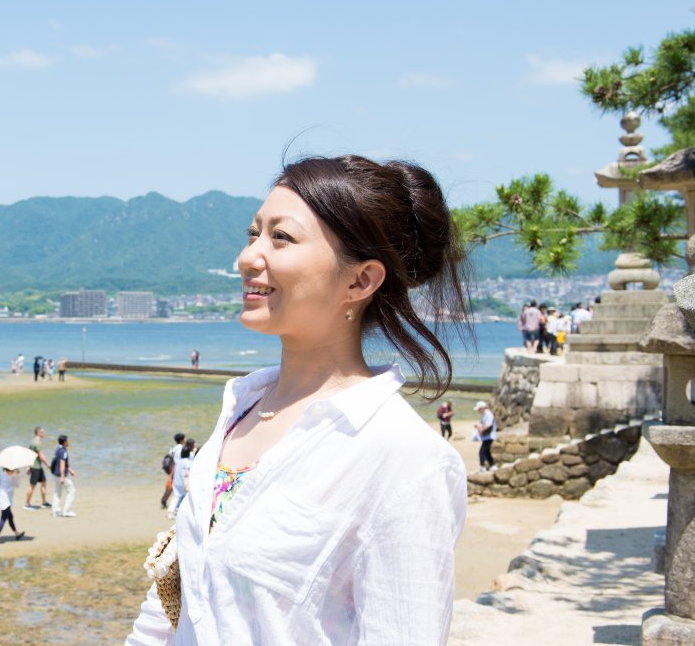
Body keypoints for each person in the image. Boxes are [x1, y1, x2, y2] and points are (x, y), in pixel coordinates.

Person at [127, 155, 469, 643]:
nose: (247, 258)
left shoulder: (404, 460)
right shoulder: (241, 409)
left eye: (280, 238)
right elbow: (176, 607)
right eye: (252, 234)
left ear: (360, 281)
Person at [0, 467, 26, 544]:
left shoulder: (1, 472)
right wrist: (17, 475)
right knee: (3, 518)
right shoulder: (13, 476)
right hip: (6, 499)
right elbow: (17, 485)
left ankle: (17, 533)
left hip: (0, 497)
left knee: (10, 516)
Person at [50, 434, 76, 517]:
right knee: (71, 490)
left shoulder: (58, 449)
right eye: (67, 440)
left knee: (57, 492)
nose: (68, 442)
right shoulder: (63, 451)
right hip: (61, 475)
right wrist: (62, 476)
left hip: (55, 475)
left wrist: (70, 470)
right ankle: (67, 511)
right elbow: (62, 463)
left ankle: (55, 510)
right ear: (64, 442)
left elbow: (62, 462)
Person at [169, 438, 196, 516]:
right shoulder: (187, 462)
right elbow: (187, 474)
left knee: (176, 496)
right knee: (184, 498)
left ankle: (170, 511)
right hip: (183, 483)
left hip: (176, 482)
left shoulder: (179, 461)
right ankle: (178, 512)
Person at [25, 426, 51, 509]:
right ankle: (27, 504)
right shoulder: (37, 443)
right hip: (36, 467)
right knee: (32, 485)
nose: (44, 433)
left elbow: (29, 454)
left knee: (44, 482)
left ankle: (44, 502)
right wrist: (48, 465)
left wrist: (28, 466)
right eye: (43, 432)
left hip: (37, 467)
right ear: (39, 433)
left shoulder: (32, 441)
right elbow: (42, 457)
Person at [160, 433, 186, 510]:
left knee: (170, 486)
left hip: (172, 470)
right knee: (178, 488)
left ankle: (164, 500)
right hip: (177, 470)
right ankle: (174, 506)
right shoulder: (181, 449)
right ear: (182, 440)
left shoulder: (173, 449)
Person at [476, 400, 497, 470]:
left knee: (482, 452)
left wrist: (481, 429)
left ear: (482, 408)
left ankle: (482, 467)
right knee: (487, 451)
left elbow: (489, 424)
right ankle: (493, 465)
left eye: (478, 409)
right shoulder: (484, 414)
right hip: (486, 436)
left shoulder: (488, 414)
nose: (478, 411)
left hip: (489, 436)